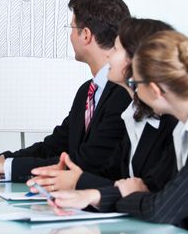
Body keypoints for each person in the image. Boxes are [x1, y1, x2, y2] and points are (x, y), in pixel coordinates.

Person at [50, 31, 188, 234]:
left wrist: (125, 194)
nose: (134, 94)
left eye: (135, 84)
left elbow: (162, 207)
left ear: (155, 90)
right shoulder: (185, 122)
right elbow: (153, 186)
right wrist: (93, 196)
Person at [0, 0, 132, 183]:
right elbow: (55, 146)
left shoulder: (124, 93)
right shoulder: (87, 91)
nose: (70, 35)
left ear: (86, 35)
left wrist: (7, 167)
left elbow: (89, 161)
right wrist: (2, 161)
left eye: (72, 27)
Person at [26, 18, 177, 195]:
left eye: (116, 48)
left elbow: (155, 195)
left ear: (136, 59)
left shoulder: (170, 122)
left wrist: (79, 183)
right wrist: (73, 181)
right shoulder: (133, 115)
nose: (108, 55)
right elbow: (112, 177)